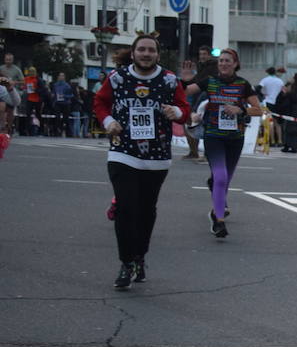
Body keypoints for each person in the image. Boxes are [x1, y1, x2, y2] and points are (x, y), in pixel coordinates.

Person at [92, 36, 191, 289]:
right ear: (133, 52)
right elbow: (100, 102)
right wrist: (108, 121)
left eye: (151, 50)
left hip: (156, 157)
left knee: (146, 211)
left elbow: (184, 110)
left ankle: (139, 256)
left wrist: (176, 112)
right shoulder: (118, 78)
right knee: (126, 208)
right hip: (122, 152)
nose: (146, 54)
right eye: (141, 49)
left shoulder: (169, 80)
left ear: (158, 54)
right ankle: (126, 262)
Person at [186, 48, 261, 239]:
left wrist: (240, 109)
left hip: (235, 138)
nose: (224, 64)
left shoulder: (243, 84)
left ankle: (216, 208)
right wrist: (185, 81)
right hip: (214, 136)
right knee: (220, 177)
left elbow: (258, 110)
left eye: (228, 61)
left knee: (225, 179)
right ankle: (219, 220)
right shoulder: (209, 81)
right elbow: (184, 92)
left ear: (235, 64)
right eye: (221, 61)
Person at [181, 47, 216, 160]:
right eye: (200, 54)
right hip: (196, 98)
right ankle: (193, 152)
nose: (202, 56)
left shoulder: (213, 67)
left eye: (204, 54)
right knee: (189, 124)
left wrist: (190, 80)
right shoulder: (201, 66)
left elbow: (202, 83)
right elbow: (196, 82)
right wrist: (187, 80)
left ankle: (207, 154)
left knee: (205, 126)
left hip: (205, 99)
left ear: (210, 55)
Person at [278, 72, 297, 154]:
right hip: (291, 111)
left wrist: (288, 93)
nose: (291, 79)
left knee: (294, 130)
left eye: (293, 78)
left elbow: (295, 98)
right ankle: (287, 145)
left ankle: (293, 146)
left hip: (296, 111)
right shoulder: (296, 87)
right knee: (288, 129)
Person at [258, 66, 284, 148]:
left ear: (268, 72)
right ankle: (280, 141)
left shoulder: (265, 80)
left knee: (270, 122)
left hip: (268, 102)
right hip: (277, 103)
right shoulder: (280, 81)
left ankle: (272, 141)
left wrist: (262, 95)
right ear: (275, 72)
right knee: (277, 123)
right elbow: (283, 92)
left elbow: (258, 89)